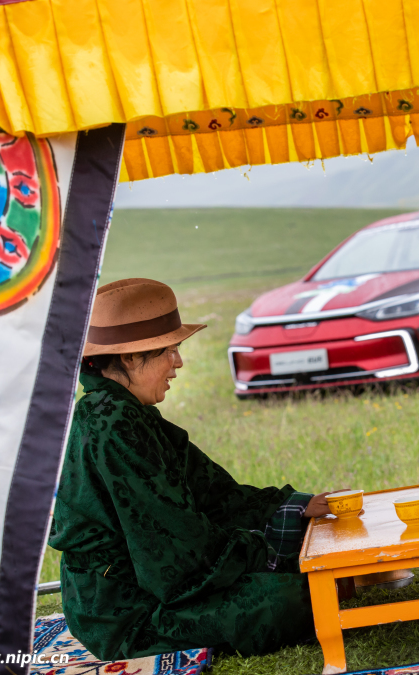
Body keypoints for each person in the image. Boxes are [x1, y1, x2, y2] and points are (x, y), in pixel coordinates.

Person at [49, 278, 337, 659]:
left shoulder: (128, 415)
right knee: (293, 597)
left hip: (147, 587)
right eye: (170, 351)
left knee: (299, 570)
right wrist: (262, 555)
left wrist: (292, 507)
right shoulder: (112, 424)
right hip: (124, 612)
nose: (178, 364)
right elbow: (170, 544)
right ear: (131, 358)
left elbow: (213, 491)